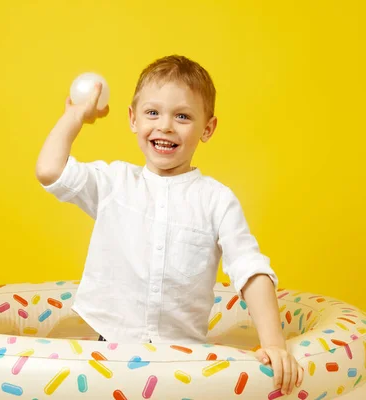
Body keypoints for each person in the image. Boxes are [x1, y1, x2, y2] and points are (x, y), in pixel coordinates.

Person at [35, 55, 303, 395]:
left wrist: (274, 344)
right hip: (109, 346)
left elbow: (250, 269)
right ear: (132, 119)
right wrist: (74, 116)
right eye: (152, 112)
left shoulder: (216, 199)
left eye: (183, 116)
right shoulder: (114, 183)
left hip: (183, 359)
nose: (165, 126)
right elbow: (50, 171)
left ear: (207, 128)